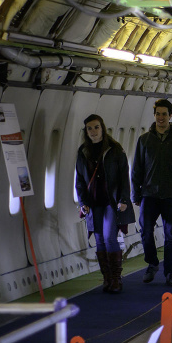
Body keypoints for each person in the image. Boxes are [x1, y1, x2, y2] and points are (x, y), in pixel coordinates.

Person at [75, 114, 135, 294]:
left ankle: (116, 278)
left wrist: (124, 199)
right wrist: (83, 202)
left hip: (111, 201)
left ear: (102, 128)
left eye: (96, 127)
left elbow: (124, 176)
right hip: (93, 203)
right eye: (89, 128)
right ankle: (107, 278)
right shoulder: (83, 151)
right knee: (99, 240)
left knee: (109, 237)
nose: (93, 131)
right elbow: (79, 180)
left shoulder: (115, 149)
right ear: (86, 132)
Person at [131, 99, 172, 286]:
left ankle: (170, 272)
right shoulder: (144, 140)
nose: (161, 117)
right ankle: (152, 263)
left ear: (170, 115)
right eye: (158, 114)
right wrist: (135, 194)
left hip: (171, 194)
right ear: (154, 116)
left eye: (164, 114)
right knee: (146, 231)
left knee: (171, 235)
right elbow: (137, 168)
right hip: (149, 194)